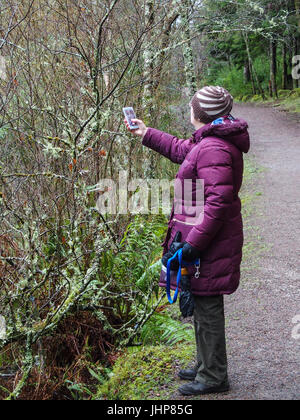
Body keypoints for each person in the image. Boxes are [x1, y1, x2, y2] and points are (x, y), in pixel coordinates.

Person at [124, 86, 250, 396]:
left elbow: (217, 203)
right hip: (205, 239)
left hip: (208, 242)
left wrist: (193, 244)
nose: (189, 110)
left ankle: (214, 375)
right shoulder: (211, 140)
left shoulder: (214, 147)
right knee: (201, 301)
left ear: (200, 113)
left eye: (192, 106)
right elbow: (183, 150)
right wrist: (146, 132)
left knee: (207, 305)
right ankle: (206, 364)